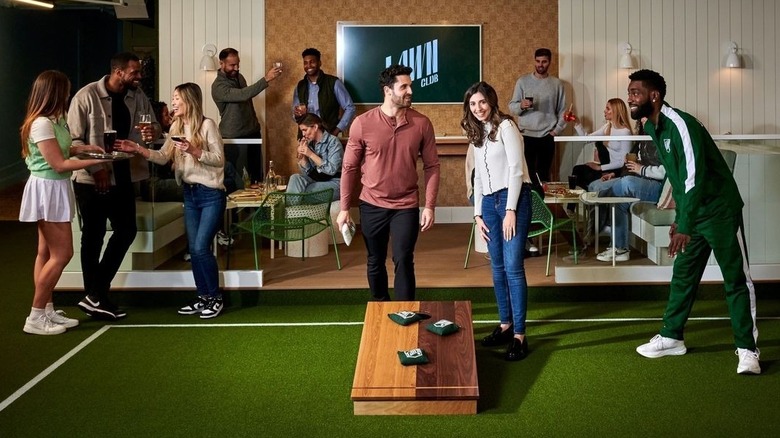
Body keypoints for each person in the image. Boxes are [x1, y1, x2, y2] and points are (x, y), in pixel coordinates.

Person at [628, 69, 760, 375]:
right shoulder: (654, 128)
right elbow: (676, 178)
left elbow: (693, 177)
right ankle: (672, 336)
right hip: (694, 214)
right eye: (630, 92)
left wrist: (685, 223)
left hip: (718, 212)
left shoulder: (680, 124)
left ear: (654, 96)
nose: (631, 98)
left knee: (736, 279)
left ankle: (747, 349)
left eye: (636, 92)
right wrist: (680, 219)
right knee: (684, 276)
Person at [117, 83, 227, 319]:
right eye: (173, 98)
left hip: (211, 195)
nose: (173, 102)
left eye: (177, 98)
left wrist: (194, 150)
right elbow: (162, 157)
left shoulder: (207, 125)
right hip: (189, 194)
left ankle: (215, 298)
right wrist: (137, 148)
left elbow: (219, 160)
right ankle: (203, 297)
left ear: (189, 101)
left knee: (199, 248)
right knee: (196, 252)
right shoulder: (177, 125)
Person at [68, 52, 160, 320]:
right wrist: (97, 170)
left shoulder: (138, 95)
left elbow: (153, 127)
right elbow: (72, 143)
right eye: (134, 72)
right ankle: (96, 296)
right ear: (118, 72)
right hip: (90, 180)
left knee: (126, 231)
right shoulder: (85, 97)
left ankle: (94, 295)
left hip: (125, 176)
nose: (139, 76)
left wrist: (151, 132)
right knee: (93, 237)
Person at [336, 64, 440, 301]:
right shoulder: (362, 123)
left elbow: (432, 166)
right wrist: (344, 209)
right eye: (403, 86)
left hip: (406, 205)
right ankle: (382, 306)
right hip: (372, 204)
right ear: (387, 90)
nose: (409, 91)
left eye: (410, 86)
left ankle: (405, 311)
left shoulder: (422, 123)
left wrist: (430, 206)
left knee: (403, 258)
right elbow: (349, 167)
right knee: (375, 258)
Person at [18, 70, 108, 335]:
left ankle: (46, 309)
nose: (68, 94)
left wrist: (83, 149)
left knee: (45, 253)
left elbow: (59, 150)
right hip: (48, 189)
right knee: (62, 254)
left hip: (55, 187)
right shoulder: (41, 123)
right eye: (66, 90)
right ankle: (35, 316)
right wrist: (99, 161)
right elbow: (58, 164)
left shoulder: (54, 121)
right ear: (54, 93)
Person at [462, 81, 533, 361]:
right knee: (497, 268)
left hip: (512, 199)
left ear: (491, 101)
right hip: (488, 204)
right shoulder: (477, 133)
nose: (477, 108)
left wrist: (511, 210)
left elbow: (516, 170)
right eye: (472, 104)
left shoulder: (507, 127)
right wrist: (478, 213)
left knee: (513, 267)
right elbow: (478, 177)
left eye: (481, 102)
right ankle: (505, 325)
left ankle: (520, 336)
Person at [586, 120, 665, 262]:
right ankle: (620, 249)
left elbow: (666, 172)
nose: (642, 121)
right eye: (641, 119)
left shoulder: (663, 137)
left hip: (661, 187)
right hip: (642, 180)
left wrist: (641, 169)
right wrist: (617, 174)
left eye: (645, 117)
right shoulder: (643, 138)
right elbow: (631, 164)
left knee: (626, 183)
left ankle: (600, 214)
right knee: (619, 202)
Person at [211, 47, 282, 184]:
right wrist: (266, 79)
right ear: (221, 64)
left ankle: (256, 206)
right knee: (238, 179)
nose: (236, 68)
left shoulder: (239, 77)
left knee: (256, 176)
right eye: (232, 65)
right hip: (233, 137)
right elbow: (243, 95)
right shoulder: (218, 86)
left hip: (252, 132)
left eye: (238, 64)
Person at [508, 48, 567, 183]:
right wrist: (521, 105)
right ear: (534, 61)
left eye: (544, 62)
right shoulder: (522, 82)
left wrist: (556, 130)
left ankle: (542, 203)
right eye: (538, 61)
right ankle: (527, 204)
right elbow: (512, 107)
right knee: (526, 174)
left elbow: (563, 110)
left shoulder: (557, 84)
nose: (540, 64)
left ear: (549, 62)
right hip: (525, 135)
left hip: (547, 135)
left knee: (544, 175)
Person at [569, 98, 633, 189]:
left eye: (608, 108)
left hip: (617, 170)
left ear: (616, 111)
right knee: (578, 169)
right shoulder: (608, 126)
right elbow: (587, 139)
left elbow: (622, 162)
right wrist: (577, 122)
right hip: (606, 166)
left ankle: (590, 198)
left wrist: (599, 167)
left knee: (584, 174)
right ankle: (578, 201)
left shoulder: (625, 132)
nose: (605, 111)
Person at [292, 48, 356, 136]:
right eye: (305, 63)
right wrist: (296, 114)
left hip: (327, 136)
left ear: (319, 63)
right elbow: (295, 114)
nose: (309, 65)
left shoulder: (333, 83)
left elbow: (350, 107)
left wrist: (337, 130)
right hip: (305, 137)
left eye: (312, 62)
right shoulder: (300, 86)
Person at [287, 113, 343, 201]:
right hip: (317, 180)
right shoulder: (310, 143)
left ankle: (290, 213)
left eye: (305, 130)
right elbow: (308, 173)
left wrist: (310, 154)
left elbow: (331, 170)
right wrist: (303, 157)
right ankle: (290, 213)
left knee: (305, 191)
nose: (303, 134)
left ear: (315, 127)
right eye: (302, 131)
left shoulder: (333, 142)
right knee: (295, 178)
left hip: (334, 182)